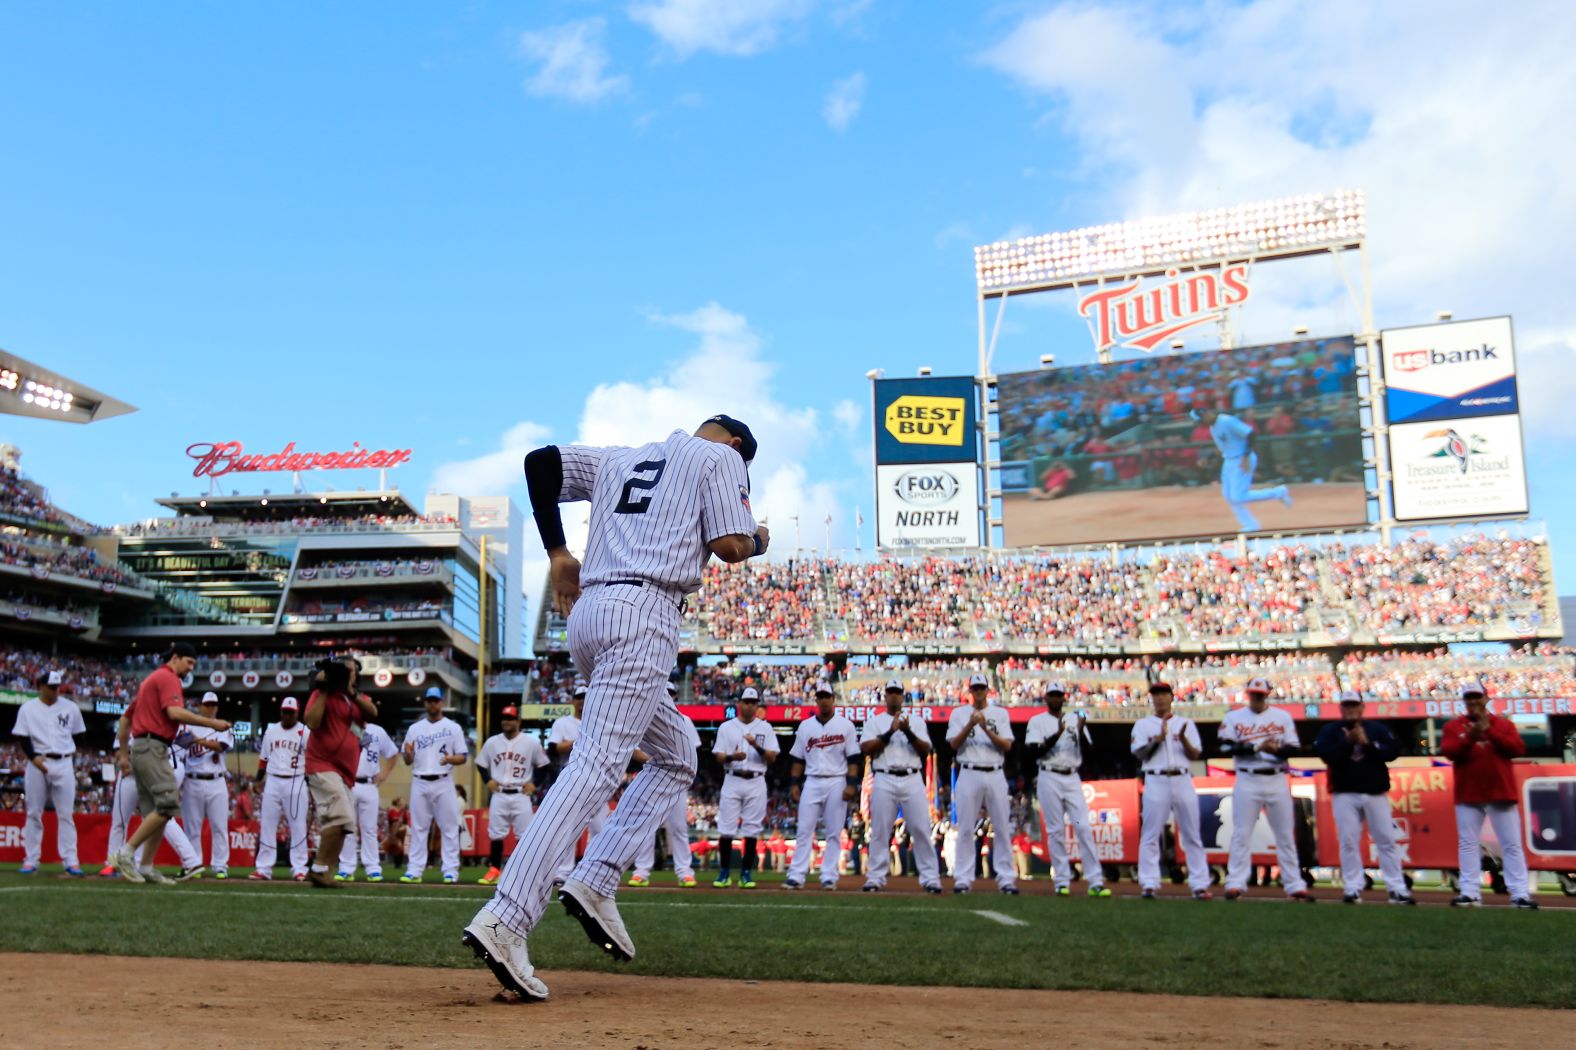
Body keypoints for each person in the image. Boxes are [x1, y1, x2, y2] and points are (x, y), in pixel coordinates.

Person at [464, 414, 766, 1002]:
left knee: (679, 751)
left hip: (590, 615)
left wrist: (557, 550)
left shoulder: (623, 457)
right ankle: (507, 916)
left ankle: (597, 879)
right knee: (596, 766)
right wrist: (760, 538)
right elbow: (729, 546)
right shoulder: (723, 458)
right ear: (735, 444)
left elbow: (540, 464)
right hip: (645, 611)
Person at [111, 643, 231, 884]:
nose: (190, 668)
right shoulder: (168, 677)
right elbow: (175, 713)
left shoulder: (149, 682)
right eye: (189, 662)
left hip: (144, 747)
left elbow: (125, 720)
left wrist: (124, 755)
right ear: (175, 658)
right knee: (167, 804)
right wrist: (213, 724)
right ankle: (125, 853)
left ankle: (145, 866)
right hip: (153, 746)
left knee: (156, 811)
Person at [1313, 690, 1414, 905]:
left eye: (1354, 705)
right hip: (1344, 793)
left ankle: (1397, 888)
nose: (1350, 709)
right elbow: (1327, 756)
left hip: (1375, 792)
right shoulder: (1330, 730)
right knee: (1348, 840)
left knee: (1386, 839)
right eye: (1346, 706)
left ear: (1361, 707)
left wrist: (1367, 743)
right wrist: (1348, 742)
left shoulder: (1376, 728)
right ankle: (1353, 887)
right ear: (1340, 708)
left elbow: (1392, 752)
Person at [1217, 677, 1314, 903]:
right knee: (1241, 833)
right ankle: (1235, 883)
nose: (1256, 698)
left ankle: (1294, 885)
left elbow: (1294, 749)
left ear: (1267, 694)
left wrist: (1276, 749)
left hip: (1276, 777)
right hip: (1247, 778)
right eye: (1253, 694)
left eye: (1260, 695)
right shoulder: (1234, 717)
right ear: (1247, 694)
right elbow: (1224, 746)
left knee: (1285, 835)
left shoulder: (1282, 717)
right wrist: (1255, 746)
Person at [1441, 682, 1536, 909]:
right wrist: (1471, 737)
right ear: (1464, 701)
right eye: (1468, 698)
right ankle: (1470, 892)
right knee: (1468, 844)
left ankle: (1520, 894)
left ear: (1486, 698)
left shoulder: (1502, 724)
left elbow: (1517, 749)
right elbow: (1450, 752)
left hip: (1499, 791)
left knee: (1511, 844)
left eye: (1476, 697)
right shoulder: (1454, 726)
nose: (1473, 702)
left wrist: (1489, 732)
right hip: (1469, 792)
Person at [1023, 682, 1109, 897]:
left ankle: (1095, 881)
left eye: (1058, 695)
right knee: (1055, 830)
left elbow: (1091, 752)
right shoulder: (1037, 721)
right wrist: (1058, 734)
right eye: (1052, 695)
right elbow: (1033, 753)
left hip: (1071, 777)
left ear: (1064, 697)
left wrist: (1079, 731)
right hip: (1049, 775)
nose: (1055, 698)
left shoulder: (1075, 720)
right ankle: (1061, 881)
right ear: (1046, 699)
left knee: (1083, 828)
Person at [1130, 682, 1211, 900]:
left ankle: (1199, 884)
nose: (1160, 699)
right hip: (1155, 779)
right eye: (1156, 695)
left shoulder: (1186, 723)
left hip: (1182, 778)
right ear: (1151, 699)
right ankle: (1148, 883)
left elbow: (1195, 755)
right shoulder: (1143, 725)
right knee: (1150, 834)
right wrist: (1157, 739)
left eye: (1163, 694)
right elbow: (1139, 755)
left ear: (1171, 697)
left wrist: (1183, 739)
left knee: (1192, 833)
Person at [303, 657, 378, 889]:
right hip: (321, 765)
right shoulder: (321, 695)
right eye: (342, 671)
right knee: (341, 817)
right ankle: (318, 868)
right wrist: (324, 688)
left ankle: (324, 870)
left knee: (345, 824)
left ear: (356, 675)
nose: (347, 673)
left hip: (346, 773)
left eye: (350, 671)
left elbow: (373, 713)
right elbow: (311, 723)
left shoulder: (358, 699)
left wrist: (351, 693)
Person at [859, 679, 941, 894]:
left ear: (902, 696)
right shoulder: (875, 722)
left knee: (922, 829)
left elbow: (926, 749)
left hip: (912, 777)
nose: (894, 696)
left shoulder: (916, 721)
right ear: (885, 696)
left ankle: (930, 878)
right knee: (879, 830)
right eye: (890, 692)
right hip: (884, 777)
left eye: (897, 693)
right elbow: (866, 748)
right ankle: (875, 878)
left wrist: (907, 731)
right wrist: (890, 731)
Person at [945, 672, 1018, 895]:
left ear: (987, 690)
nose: (978, 692)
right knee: (965, 828)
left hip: (995, 771)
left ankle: (1006, 879)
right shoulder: (959, 714)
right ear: (970, 691)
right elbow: (954, 745)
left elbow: (1006, 746)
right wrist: (970, 724)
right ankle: (963, 879)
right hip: (968, 771)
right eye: (974, 688)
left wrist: (985, 727)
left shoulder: (1000, 713)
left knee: (1002, 828)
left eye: (981, 688)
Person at [784, 681, 861, 891]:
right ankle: (796, 875)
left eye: (828, 696)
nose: (824, 700)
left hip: (837, 780)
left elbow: (854, 758)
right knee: (804, 830)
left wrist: (852, 784)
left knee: (834, 832)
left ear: (833, 699)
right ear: (816, 699)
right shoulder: (806, 726)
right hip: (812, 780)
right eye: (821, 696)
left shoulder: (846, 725)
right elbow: (798, 760)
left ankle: (829, 876)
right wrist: (794, 784)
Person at [12, 669, 86, 875]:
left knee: (66, 815)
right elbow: (23, 736)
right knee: (34, 813)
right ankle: (31, 860)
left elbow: (79, 735)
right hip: (37, 761)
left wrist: (66, 753)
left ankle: (71, 861)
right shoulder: (28, 708)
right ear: (41, 686)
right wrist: (33, 757)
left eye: (57, 687)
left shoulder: (70, 707)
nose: (55, 691)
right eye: (51, 687)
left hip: (63, 761)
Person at [711, 685, 778, 888]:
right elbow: (719, 756)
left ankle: (746, 873)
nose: (749, 706)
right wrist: (733, 756)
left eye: (753, 702)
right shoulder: (726, 727)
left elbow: (772, 757)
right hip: (732, 777)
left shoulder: (765, 727)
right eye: (746, 702)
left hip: (757, 778)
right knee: (726, 828)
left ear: (757, 705)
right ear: (739, 703)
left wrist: (756, 746)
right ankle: (724, 873)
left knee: (751, 828)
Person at [630, 688, 698, 887]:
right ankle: (641, 871)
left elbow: (692, 751)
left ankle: (685, 871)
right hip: (652, 777)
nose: (668, 695)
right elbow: (634, 751)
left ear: (674, 696)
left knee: (678, 828)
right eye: (664, 691)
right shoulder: (644, 718)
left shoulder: (685, 720)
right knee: (646, 827)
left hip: (676, 779)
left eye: (671, 693)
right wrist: (660, 758)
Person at [401, 686, 469, 884]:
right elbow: (407, 759)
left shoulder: (453, 727)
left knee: (448, 827)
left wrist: (450, 759)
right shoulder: (415, 729)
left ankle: (450, 870)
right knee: (418, 828)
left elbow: (463, 757)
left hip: (443, 780)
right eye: (429, 700)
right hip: (420, 780)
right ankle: (414, 870)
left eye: (436, 700)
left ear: (441, 703)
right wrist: (408, 753)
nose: (433, 703)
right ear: (425, 703)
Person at [477, 704, 549, 886]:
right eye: (504, 718)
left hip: (520, 794)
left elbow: (544, 766)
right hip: (499, 793)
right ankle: (494, 869)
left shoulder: (531, 742)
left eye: (510, 718)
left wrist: (535, 784)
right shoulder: (492, 742)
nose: (507, 722)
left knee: (523, 835)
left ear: (518, 721)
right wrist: (487, 780)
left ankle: (519, 872)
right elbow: (481, 764)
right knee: (496, 833)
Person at [1194, 406, 1291, 532]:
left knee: (1238, 496)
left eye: (1201, 419)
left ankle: (1279, 492)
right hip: (1229, 461)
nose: (1201, 423)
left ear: (1206, 413)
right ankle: (1251, 525)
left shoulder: (1226, 420)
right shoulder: (1213, 428)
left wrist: (1245, 457)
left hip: (1242, 458)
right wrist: (1208, 458)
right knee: (1228, 496)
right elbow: (1223, 447)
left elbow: (1250, 434)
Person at [251, 696, 310, 881]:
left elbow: (312, 758)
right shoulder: (271, 731)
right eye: (285, 711)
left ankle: (300, 868)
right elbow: (264, 759)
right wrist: (258, 780)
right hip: (273, 780)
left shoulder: (305, 732)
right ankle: (264, 869)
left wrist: (310, 781)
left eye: (290, 712)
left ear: (297, 713)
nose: (287, 715)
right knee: (267, 825)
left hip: (296, 780)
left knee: (298, 825)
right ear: (281, 712)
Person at [338, 707, 398, 882]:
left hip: (370, 784)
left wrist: (384, 775)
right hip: (349, 782)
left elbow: (393, 754)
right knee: (347, 828)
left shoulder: (377, 731)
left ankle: (372, 868)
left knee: (369, 829)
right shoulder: (346, 728)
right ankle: (346, 868)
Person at [180, 692, 234, 879]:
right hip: (192, 779)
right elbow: (179, 746)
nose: (210, 708)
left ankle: (220, 865)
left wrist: (197, 741)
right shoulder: (188, 725)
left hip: (216, 780)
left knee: (219, 826)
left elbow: (221, 747)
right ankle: (194, 864)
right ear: (200, 706)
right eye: (207, 705)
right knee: (192, 827)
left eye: (213, 705)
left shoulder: (222, 726)